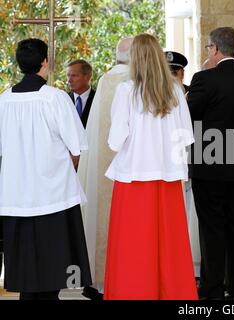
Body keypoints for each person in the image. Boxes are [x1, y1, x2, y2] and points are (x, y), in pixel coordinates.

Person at [103, 33, 197, 300]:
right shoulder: (176, 91)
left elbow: (116, 140)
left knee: (133, 244)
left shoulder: (126, 90)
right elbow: (185, 137)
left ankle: (131, 292)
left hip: (134, 176)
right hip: (167, 178)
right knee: (169, 245)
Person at [0, 38, 92, 300]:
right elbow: (77, 146)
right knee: (55, 265)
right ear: (45, 62)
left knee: (26, 268)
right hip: (54, 195)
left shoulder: (3, 101)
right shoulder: (55, 98)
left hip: (16, 196)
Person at [187, 27, 234, 300]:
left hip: (209, 165)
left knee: (212, 229)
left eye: (208, 48)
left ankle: (213, 289)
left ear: (215, 49)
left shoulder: (204, 79)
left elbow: (189, 117)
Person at [77, 37, 134, 300]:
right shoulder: (139, 79)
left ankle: (100, 283)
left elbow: (97, 126)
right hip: (134, 165)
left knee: (105, 219)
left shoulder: (107, 79)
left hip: (105, 162)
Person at [67, 59, 96, 128]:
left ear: (88, 77)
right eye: (68, 75)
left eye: (74, 76)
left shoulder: (98, 99)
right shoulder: (64, 99)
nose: (69, 80)